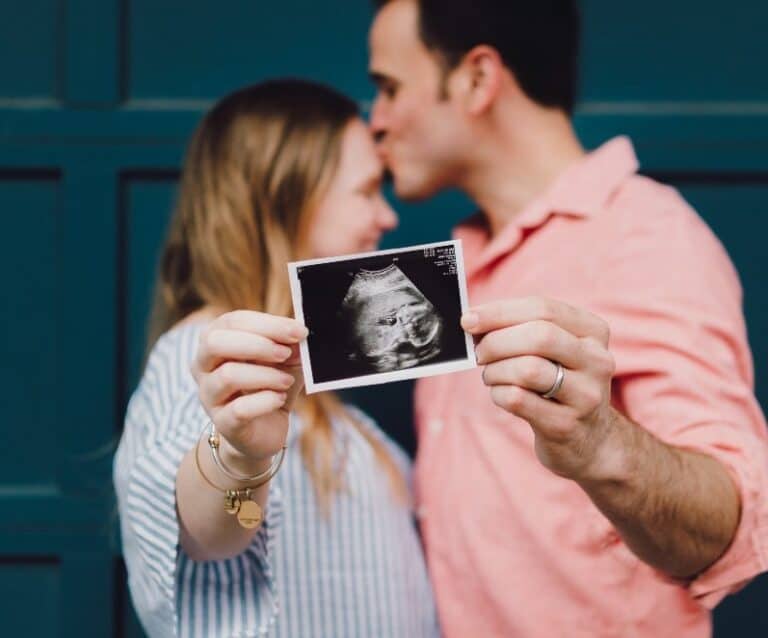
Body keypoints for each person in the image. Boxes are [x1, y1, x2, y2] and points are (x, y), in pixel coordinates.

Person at [367, 1, 768, 636]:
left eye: (388, 88)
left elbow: (729, 527)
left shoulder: (646, 238)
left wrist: (597, 441)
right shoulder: (453, 265)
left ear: (477, 79)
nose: (376, 123)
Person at [113, 79, 439, 638]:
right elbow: (208, 532)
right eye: (365, 191)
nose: (387, 217)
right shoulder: (205, 361)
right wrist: (240, 456)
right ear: (282, 201)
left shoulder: (322, 400)